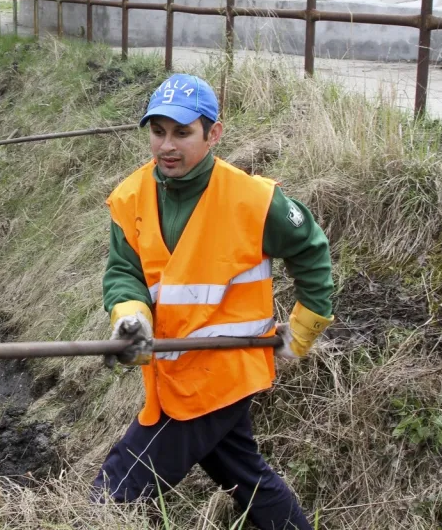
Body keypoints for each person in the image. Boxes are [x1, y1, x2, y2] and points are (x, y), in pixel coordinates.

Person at [93, 73, 335, 529]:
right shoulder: (131, 198)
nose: (167, 145)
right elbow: (125, 272)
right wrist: (131, 319)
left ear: (213, 134)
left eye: (182, 133)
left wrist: (302, 330)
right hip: (171, 373)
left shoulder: (253, 200)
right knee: (246, 478)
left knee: (115, 492)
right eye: (158, 131)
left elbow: (311, 249)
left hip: (222, 372)